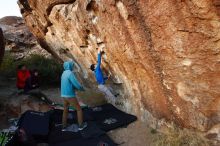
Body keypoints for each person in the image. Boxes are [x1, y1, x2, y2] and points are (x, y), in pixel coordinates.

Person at [61, 61, 87, 131]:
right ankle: (81, 126)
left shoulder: (63, 73)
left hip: (63, 95)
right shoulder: (70, 73)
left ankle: (64, 127)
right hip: (70, 95)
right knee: (79, 109)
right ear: (70, 66)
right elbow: (76, 84)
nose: (72, 66)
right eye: (72, 65)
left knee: (65, 110)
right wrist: (82, 89)